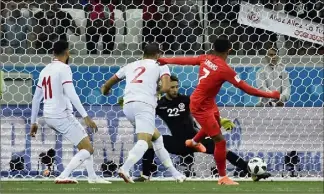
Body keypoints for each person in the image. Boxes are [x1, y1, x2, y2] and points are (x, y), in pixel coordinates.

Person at [157, 38, 280, 185]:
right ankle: (223, 177)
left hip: (207, 101)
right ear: (230, 50)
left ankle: (194, 141)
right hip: (200, 105)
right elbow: (248, 90)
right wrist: (271, 95)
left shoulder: (205, 58)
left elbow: (187, 60)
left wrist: (166, 60)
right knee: (220, 142)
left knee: (216, 122)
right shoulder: (225, 69)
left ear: (213, 47)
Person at [123, 75, 270, 182]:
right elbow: (145, 114)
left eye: (176, 87)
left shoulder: (186, 100)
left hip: (196, 140)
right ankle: (145, 175)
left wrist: (222, 120)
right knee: (150, 141)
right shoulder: (159, 104)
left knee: (222, 149)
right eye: (172, 87)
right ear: (165, 88)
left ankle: (252, 172)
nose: (175, 90)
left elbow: (205, 111)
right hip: (178, 143)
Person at [101, 43, 186, 183]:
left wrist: (106, 90)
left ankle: (176, 174)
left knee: (157, 139)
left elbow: (107, 84)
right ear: (158, 54)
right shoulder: (161, 65)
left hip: (128, 106)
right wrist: (155, 92)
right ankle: (125, 168)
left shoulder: (131, 65)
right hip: (144, 104)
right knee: (144, 141)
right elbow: (165, 87)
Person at [30, 41, 110, 184]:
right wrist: (86, 116)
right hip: (61, 115)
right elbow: (72, 94)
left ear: (53, 53)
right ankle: (63, 175)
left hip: (48, 115)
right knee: (88, 149)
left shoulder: (45, 70)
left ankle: (92, 177)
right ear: (67, 52)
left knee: (85, 142)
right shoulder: (64, 69)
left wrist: (34, 122)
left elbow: (36, 98)